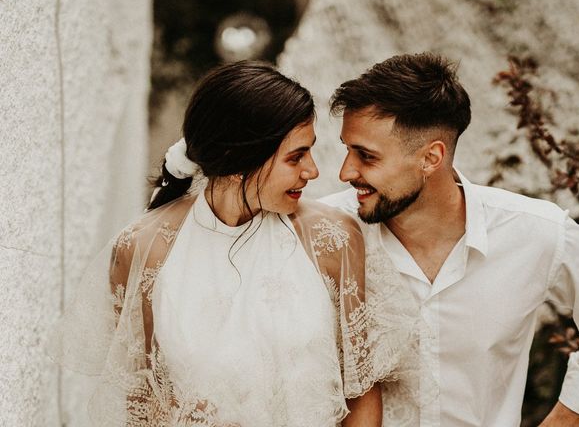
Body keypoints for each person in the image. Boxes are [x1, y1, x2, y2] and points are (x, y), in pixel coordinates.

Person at [53, 61, 410, 426]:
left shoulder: (332, 239)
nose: (313, 171)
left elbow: (363, 389)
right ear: (239, 159)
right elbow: (144, 400)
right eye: (295, 157)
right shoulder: (144, 248)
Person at [321, 52, 579, 426]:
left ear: (431, 157)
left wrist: (565, 418)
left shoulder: (536, 231)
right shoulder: (326, 232)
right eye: (347, 150)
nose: (346, 172)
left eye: (366, 156)